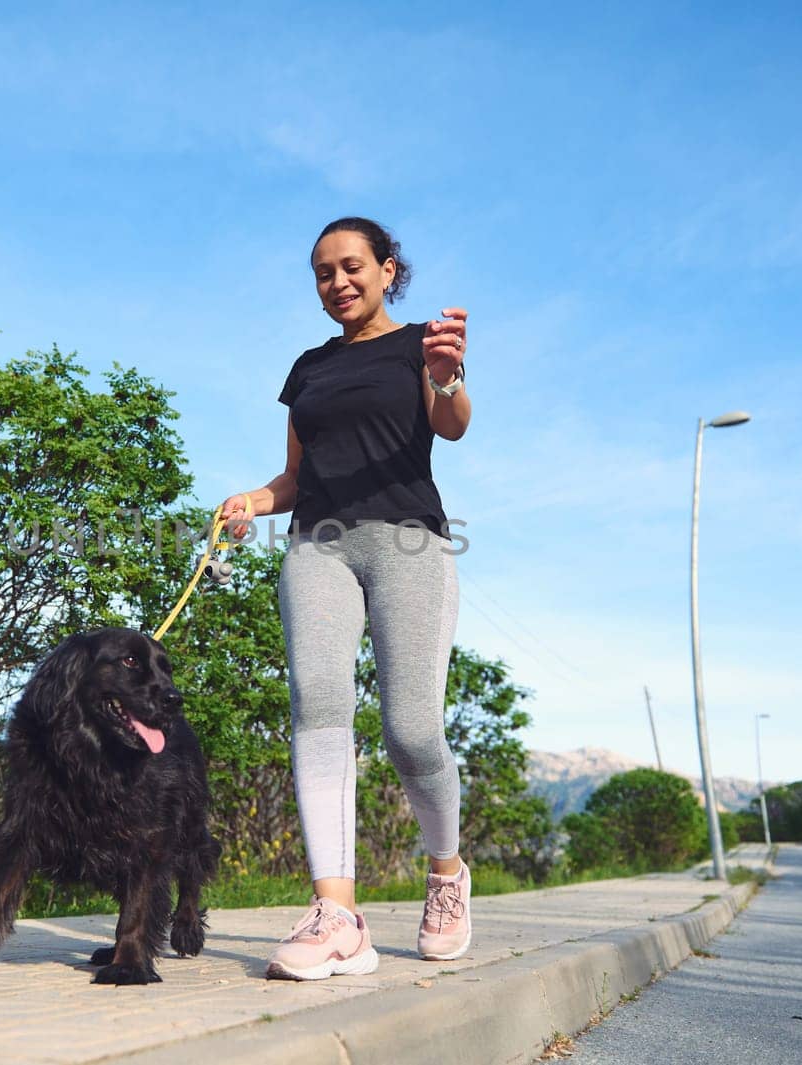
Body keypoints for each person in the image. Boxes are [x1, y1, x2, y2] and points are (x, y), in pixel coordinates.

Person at [220, 217, 472, 981]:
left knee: (411, 729)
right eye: (324, 272)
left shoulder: (421, 344)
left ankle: (446, 875)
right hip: (317, 545)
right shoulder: (308, 369)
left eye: (353, 266)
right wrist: (250, 501)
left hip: (409, 545)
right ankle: (338, 915)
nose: (338, 282)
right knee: (319, 704)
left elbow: (451, 427)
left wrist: (447, 376)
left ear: (388, 270)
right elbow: (295, 477)